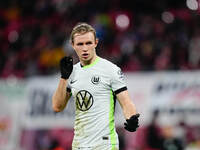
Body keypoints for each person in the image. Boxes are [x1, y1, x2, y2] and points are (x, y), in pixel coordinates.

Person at [52, 22, 140, 150]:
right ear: (73, 45)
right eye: (80, 44)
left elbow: (126, 102)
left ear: (96, 43)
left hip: (104, 143)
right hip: (79, 144)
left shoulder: (110, 70)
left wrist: (131, 117)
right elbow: (57, 106)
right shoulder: (72, 72)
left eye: (88, 43)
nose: (85, 48)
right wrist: (64, 78)